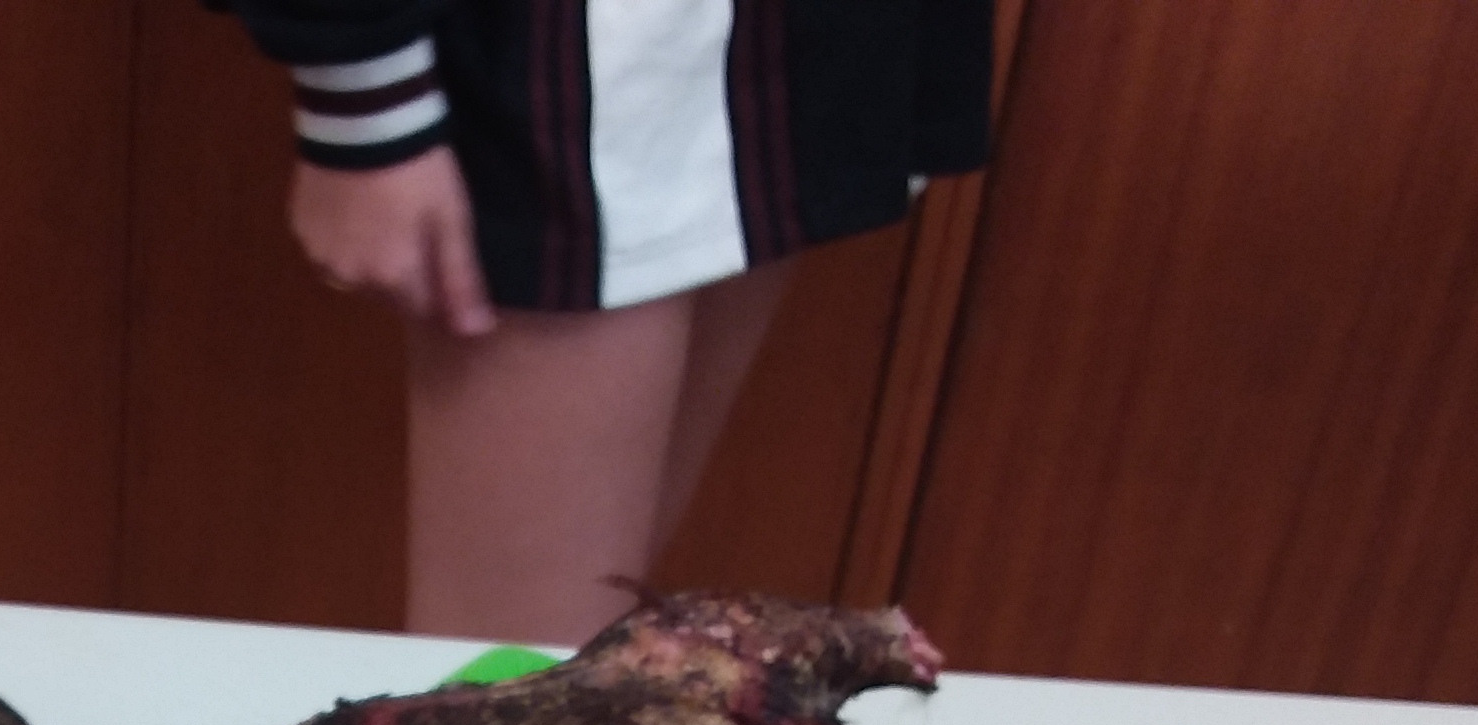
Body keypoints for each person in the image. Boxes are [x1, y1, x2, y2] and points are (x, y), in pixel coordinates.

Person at [217, 1, 993, 644]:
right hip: (571, 61)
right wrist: (362, 94)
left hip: (782, 43)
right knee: (515, 696)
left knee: (582, 668)